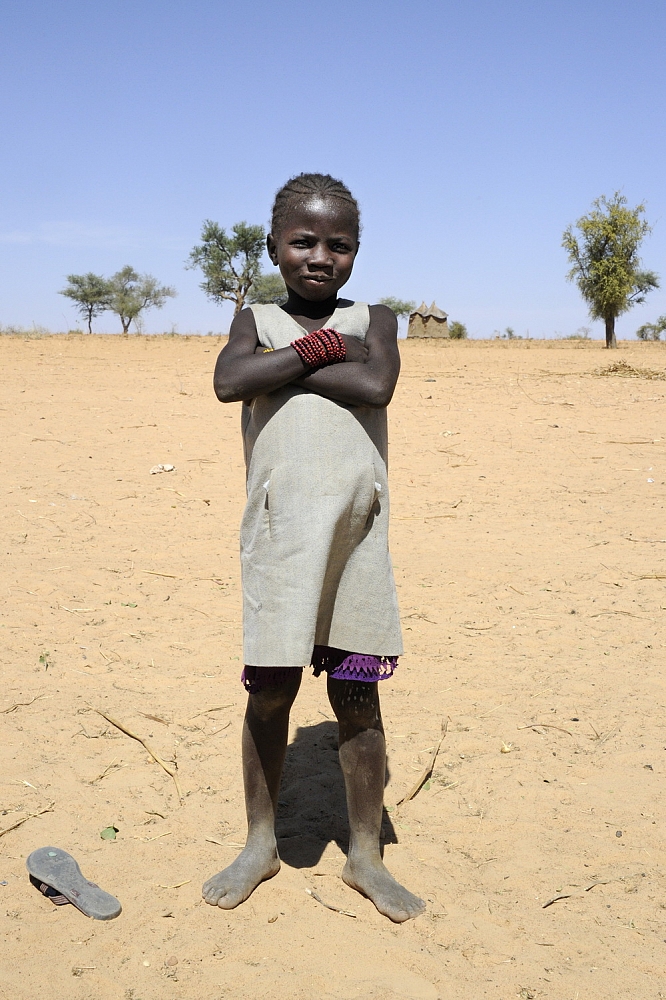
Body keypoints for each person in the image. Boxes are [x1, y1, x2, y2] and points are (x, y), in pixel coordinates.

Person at [203, 173, 425, 922]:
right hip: (280, 537)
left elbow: (379, 385)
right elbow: (233, 381)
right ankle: (260, 843)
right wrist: (330, 351)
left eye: (340, 244)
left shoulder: (378, 317)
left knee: (356, 695)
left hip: (357, 534)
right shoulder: (255, 317)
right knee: (270, 691)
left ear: (357, 252)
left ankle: (365, 856)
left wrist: (299, 356)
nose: (320, 256)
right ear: (274, 246)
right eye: (304, 241)